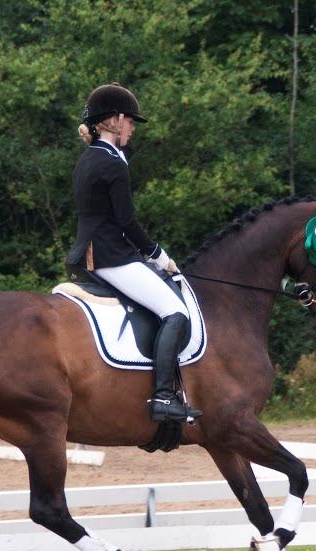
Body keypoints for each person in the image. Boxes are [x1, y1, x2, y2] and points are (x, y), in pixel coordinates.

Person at [66, 83, 201, 423]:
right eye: (129, 121)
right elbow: (126, 222)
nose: (133, 128)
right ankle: (164, 396)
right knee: (175, 311)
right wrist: (158, 256)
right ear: (112, 122)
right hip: (112, 257)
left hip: (89, 254)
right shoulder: (113, 163)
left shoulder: (90, 158)